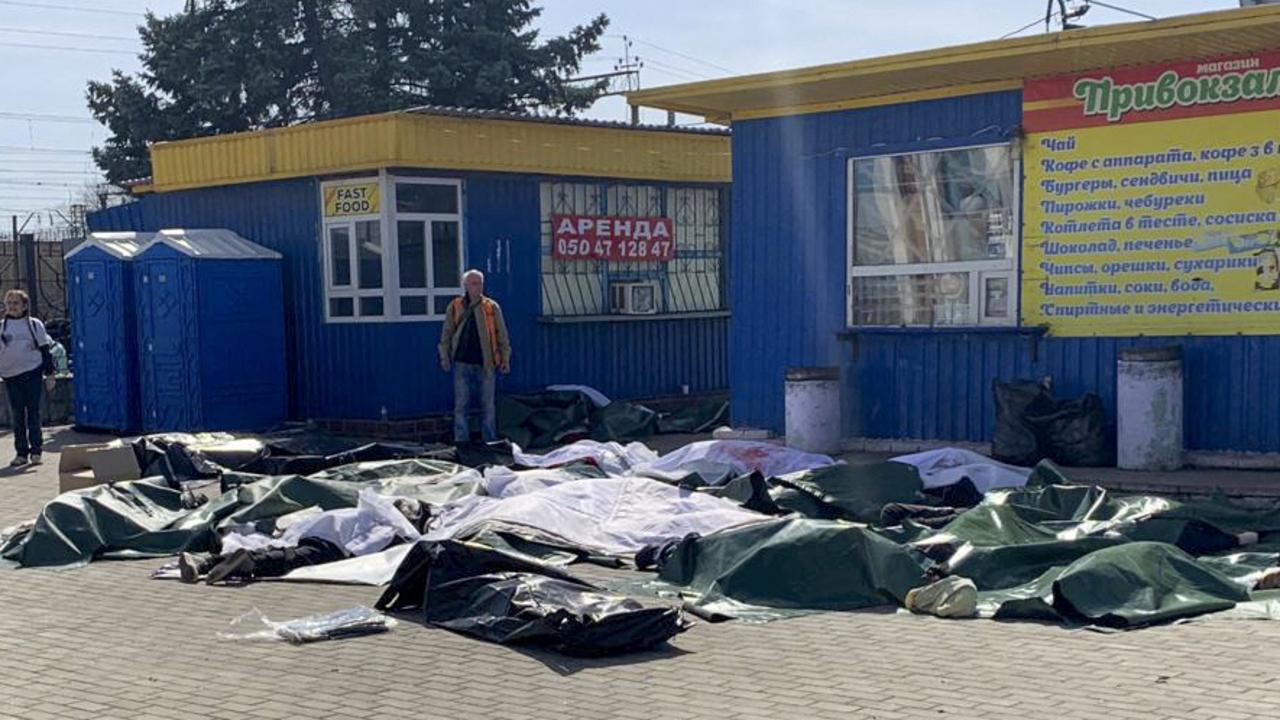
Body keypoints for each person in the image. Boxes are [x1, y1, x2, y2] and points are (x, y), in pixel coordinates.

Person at [178, 491, 427, 584]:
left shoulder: (362, 509)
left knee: (282, 550)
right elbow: (366, 546)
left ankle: (204, 563)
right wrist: (353, 554)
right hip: (332, 544)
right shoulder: (388, 526)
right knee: (291, 559)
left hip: (315, 532)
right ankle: (249, 564)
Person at [438, 269, 511, 444]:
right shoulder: (455, 306)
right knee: (461, 405)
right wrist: (444, 356)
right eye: (473, 283)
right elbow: (446, 333)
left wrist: (505, 358)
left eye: (479, 283)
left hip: (486, 363)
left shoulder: (491, 307)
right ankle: (461, 441)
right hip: (462, 363)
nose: (477, 287)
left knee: (488, 405)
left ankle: (489, 440)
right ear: (465, 286)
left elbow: (502, 334)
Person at [0, 290, 55, 467]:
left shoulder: (34, 324)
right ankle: (21, 453)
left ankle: (36, 450)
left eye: (15, 303)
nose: (11, 306)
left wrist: (50, 374)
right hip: (10, 375)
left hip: (32, 372)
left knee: (33, 411)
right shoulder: (2, 327)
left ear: (24, 306)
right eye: (8, 303)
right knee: (17, 414)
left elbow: (45, 350)